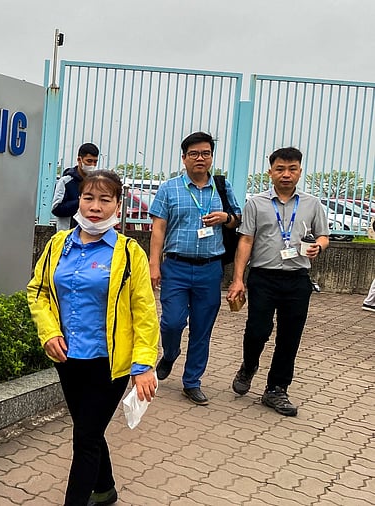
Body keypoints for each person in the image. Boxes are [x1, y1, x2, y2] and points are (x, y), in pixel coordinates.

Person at [28, 170, 159, 506]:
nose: (95, 207)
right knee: (90, 430)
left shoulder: (129, 253)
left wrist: (144, 364)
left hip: (108, 363)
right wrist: (49, 332)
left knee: (85, 437)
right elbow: (38, 290)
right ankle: (105, 488)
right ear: (79, 201)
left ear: (118, 205)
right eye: (89, 198)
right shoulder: (59, 244)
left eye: (105, 199)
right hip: (67, 358)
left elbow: (144, 312)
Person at [227, 147, 329, 416]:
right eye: (280, 169)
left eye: (292, 169)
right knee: (257, 330)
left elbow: (323, 236)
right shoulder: (256, 203)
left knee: (289, 337)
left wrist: (318, 246)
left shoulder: (312, 204)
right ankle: (249, 365)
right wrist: (238, 280)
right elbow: (245, 240)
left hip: (297, 279)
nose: (286, 174)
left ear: (299, 171)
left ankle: (276, 389)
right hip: (263, 277)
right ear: (270, 171)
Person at [148, 131, 242, 406]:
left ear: (211, 157)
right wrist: (154, 264)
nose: (200, 158)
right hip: (175, 267)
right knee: (172, 321)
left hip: (210, 269)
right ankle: (170, 353)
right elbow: (158, 229)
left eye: (205, 153)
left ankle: (192, 381)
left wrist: (226, 217)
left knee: (202, 328)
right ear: (184, 158)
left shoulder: (222, 187)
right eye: (194, 154)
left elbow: (238, 220)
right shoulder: (169, 188)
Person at [52, 143, 100, 231]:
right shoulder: (65, 181)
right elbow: (56, 209)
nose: (92, 165)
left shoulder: (96, 183)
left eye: (95, 162)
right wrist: (81, 201)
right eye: (89, 161)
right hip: (68, 233)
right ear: (79, 160)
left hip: (90, 234)